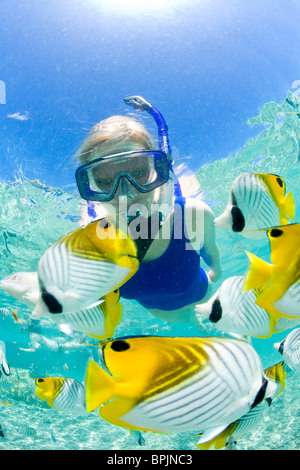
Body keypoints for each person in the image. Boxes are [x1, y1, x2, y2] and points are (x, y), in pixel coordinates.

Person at [75, 96, 221, 324]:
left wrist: (216, 275)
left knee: (200, 318)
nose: (126, 194)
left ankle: (195, 318)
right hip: (160, 311)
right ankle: (192, 321)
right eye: (105, 181)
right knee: (188, 323)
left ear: (158, 168)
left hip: (201, 294)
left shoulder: (191, 216)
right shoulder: (93, 242)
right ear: (90, 185)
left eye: (138, 172)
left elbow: (212, 254)